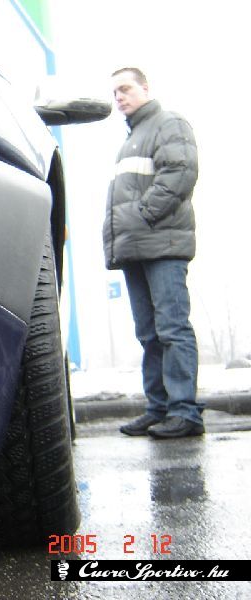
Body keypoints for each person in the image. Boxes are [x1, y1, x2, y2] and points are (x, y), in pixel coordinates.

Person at [104, 67, 203, 439]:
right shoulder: (132, 138)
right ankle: (159, 409)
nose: (119, 97)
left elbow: (180, 172)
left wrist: (144, 215)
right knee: (149, 333)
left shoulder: (168, 123)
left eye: (125, 89)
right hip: (135, 247)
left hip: (163, 244)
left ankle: (185, 412)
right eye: (115, 92)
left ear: (144, 88)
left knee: (172, 329)